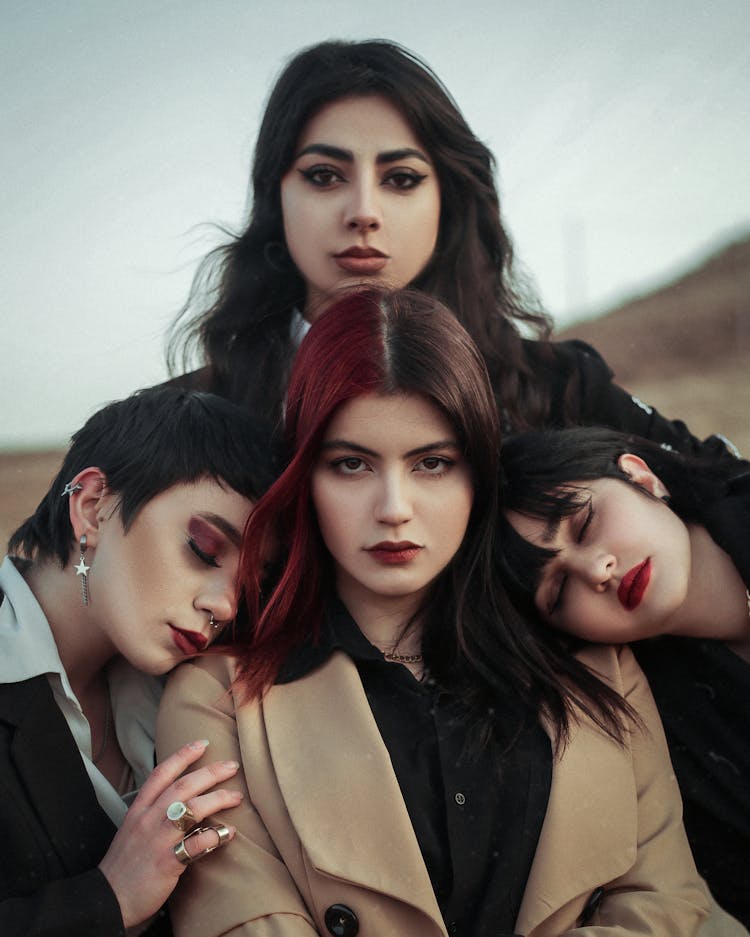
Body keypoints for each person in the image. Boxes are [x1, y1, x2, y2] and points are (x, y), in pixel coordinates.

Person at [158, 289, 717, 937]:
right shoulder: (214, 699)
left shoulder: (595, 661)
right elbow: (241, 923)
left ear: (477, 472)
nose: (393, 506)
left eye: (432, 462)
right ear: (304, 475)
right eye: (351, 463)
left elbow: (665, 898)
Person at [166, 38, 739, 464]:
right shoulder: (189, 419)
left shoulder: (556, 389)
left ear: (449, 199)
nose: (363, 210)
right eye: (323, 175)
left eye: (402, 179)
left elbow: (726, 488)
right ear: (276, 198)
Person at [1, 387, 276, 937]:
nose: (224, 605)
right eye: (203, 550)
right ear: (92, 507)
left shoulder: (191, 692)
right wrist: (110, 899)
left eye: (250, 587)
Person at [497, 425, 750, 927]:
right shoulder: (660, 746)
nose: (597, 570)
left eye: (584, 525)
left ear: (641, 476)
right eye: (559, 590)